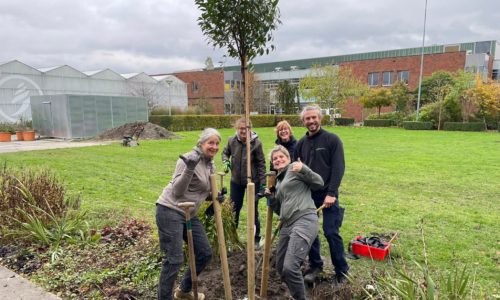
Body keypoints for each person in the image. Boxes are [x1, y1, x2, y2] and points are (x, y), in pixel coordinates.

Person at [156, 128, 223, 300]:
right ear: (201, 143)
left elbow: (198, 191)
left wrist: (215, 196)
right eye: (210, 143)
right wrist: (189, 168)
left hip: (188, 214)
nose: (214, 147)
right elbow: (178, 191)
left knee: (204, 252)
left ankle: (183, 291)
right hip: (170, 210)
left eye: (217, 143)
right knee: (174, 259)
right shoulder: (189, 159)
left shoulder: (210, 163)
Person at [294, 105, 350, 284]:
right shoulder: (301, 144)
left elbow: (338, 168)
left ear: (320, 118)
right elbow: (297, 169)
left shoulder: (332, 140)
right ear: (303, 122)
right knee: (310, 232)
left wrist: (332, 193)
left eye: (314, 117)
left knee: (331, 231)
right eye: (307, 119)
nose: (311, 121)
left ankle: (342, 271)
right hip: (309, 195)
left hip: (328, 195)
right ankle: (315, 265)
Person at [266, 145, 324, 300]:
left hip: (304, 219)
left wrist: (304, 169)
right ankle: (298, 291)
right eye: (275, 159)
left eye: (281, 157)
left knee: (290, 267)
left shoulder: (294, 169)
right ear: (272, 163)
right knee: (281, 267)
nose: (278, 160)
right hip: (287, 224)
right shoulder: (278, 181)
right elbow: (280, 210)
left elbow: (319, 183)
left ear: (288, 158)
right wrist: (271, 197)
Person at [221, 117, 266, 245]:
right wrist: (225, 161)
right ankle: (232, 237)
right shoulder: (231, 140)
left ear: (250, 129)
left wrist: (263, 184)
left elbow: (261, 164)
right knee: (234, 209)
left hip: (253, 182)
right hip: (236, 181)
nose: (243, 131)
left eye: (246, 129)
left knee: (253, 209)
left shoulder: (256, 143)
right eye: (241, 128)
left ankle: (256, 238)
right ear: (237, 129)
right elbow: (225, 153)